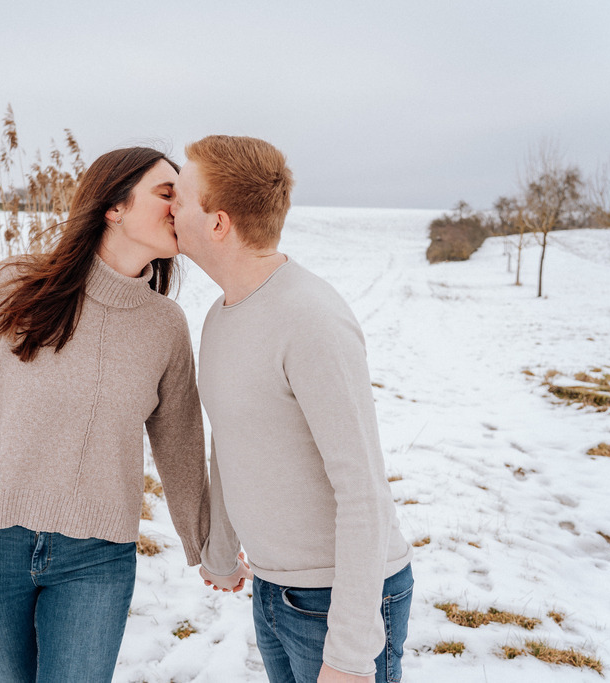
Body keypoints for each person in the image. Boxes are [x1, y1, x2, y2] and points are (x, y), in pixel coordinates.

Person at [0, 147, 210, 682]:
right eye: (167, 194)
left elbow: (180, 444)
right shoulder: (12, 288)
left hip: (97, 556)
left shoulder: (165, 325)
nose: (178, 208)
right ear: (113, 207)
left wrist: (205, 545)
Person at [171, 135, 414, 683]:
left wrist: (350, 653)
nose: (169, 210)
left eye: (179, 199)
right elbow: (232, 440)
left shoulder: (311, 318)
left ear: (218, 223)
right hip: (274, 590)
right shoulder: (220, 317)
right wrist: (221, 551)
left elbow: (364, 490)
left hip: (342, 599)